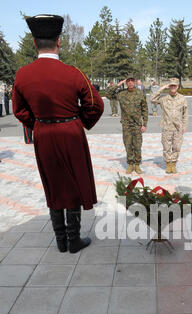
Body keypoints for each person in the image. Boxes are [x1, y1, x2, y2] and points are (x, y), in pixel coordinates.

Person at [13, 14, 104, 253]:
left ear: (34, 43)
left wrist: (38, 124)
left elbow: (18, 109)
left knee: (52, 183)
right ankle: (74, 239)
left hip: (43, 133)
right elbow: (96, 103)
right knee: (72, 183)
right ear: (59, 41)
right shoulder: (73, 73)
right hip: (70, 131)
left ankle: (61, 240)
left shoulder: (23, 74)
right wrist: (81, 121)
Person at [150, 78, 188, 173]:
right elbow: (152, 99)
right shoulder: (164, 99)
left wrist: (184, 126)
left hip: (178, 128)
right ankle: (168, 164)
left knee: (177, 147)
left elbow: (185, 114)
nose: (173, 87)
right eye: (171, 85)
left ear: (177, 87)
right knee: (166, 147)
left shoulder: (182, 98)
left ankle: (173, 164)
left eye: (174, 86)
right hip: (167, 127)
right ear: (169, 87)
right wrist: (161, 89)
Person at [114, 75, 148, 174]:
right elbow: (108, 93)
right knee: (128, 145)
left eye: (132, 81)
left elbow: (145, 109)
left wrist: (144, 124)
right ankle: (130, 164)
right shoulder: (121, 94)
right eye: (128, 81)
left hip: (137, 124)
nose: (130, 83)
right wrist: (119, 83)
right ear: (126, 82)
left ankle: (137, 165)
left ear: (135, 82)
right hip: (126, 125)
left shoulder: (140, 94)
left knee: (137, 145)